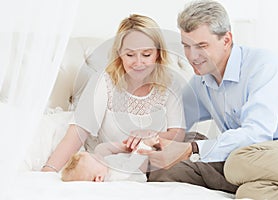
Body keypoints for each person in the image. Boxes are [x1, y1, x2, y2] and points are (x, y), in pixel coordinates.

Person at [138, 0, 278, 199]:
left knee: (237, 160)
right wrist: (151, 140)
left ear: (226, 40)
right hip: (251, 161)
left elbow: (257, 134)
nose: (192, 56)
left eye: (201, 46)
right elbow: (175, 124)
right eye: (186, 46)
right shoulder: (201, 82)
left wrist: (192, 148)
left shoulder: (262, 64)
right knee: (248, 192)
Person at [42, 14, 185, 173]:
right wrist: (49, 170)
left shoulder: (170, 83)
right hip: (107, 165)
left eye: (146, 54)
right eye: (130, 55)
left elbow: (177, 134)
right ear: (119, 54)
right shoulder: (103, 82)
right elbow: (77, 133)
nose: (138, 63)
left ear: (158, 53)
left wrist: (153, 135)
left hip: (148, 168)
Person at [62, 140, 155, 182]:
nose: (97, 156)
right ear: (99, 178)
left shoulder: (104, 168)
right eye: (96, 158)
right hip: (150, 169)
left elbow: (102, 149)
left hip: (142, 158)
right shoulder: (115, 175)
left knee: (99, 148)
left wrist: (126, 147)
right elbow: (130, 166)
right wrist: (144, 145)